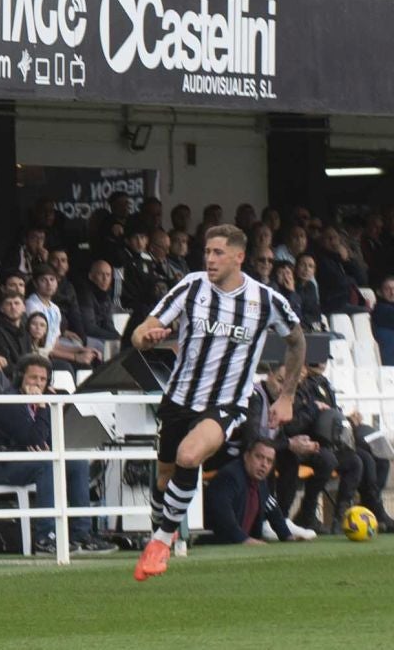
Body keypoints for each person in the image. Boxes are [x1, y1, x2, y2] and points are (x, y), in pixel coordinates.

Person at [130, 224, 304, 582]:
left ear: (239, 257)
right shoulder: (192, 286)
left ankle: (160, 542)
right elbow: (139, 332)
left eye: (218, 253)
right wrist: (147, 337)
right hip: (179, 399)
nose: (209, 259)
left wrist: (287, 396)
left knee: (189, 456)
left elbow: (298, 341)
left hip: (227, 402)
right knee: (165, 479)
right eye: (207, 252)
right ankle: (163, 524)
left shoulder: (266, 300)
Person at [0, 356, 112, 552]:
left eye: (42, 379)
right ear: (20, 377)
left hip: (25, 460)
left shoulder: (45, 399)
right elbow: (34, 440)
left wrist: (45, 407)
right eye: (33, 378)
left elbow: (46, 440)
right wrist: (42, 406)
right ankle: (45, 537)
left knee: (77, 463)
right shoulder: (7, 400)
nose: (38, 383)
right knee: (46, 464)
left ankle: (81, 534)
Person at [201, 440, 297, 546]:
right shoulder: (230, 476)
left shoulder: (260, 481)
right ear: (246, 456)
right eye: (259, 457)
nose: (264, 464)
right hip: (217, 543)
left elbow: (271, 508)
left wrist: (288, 536)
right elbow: (223, 514)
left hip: (239, 543)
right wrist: (244, 539)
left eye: (269, 461)